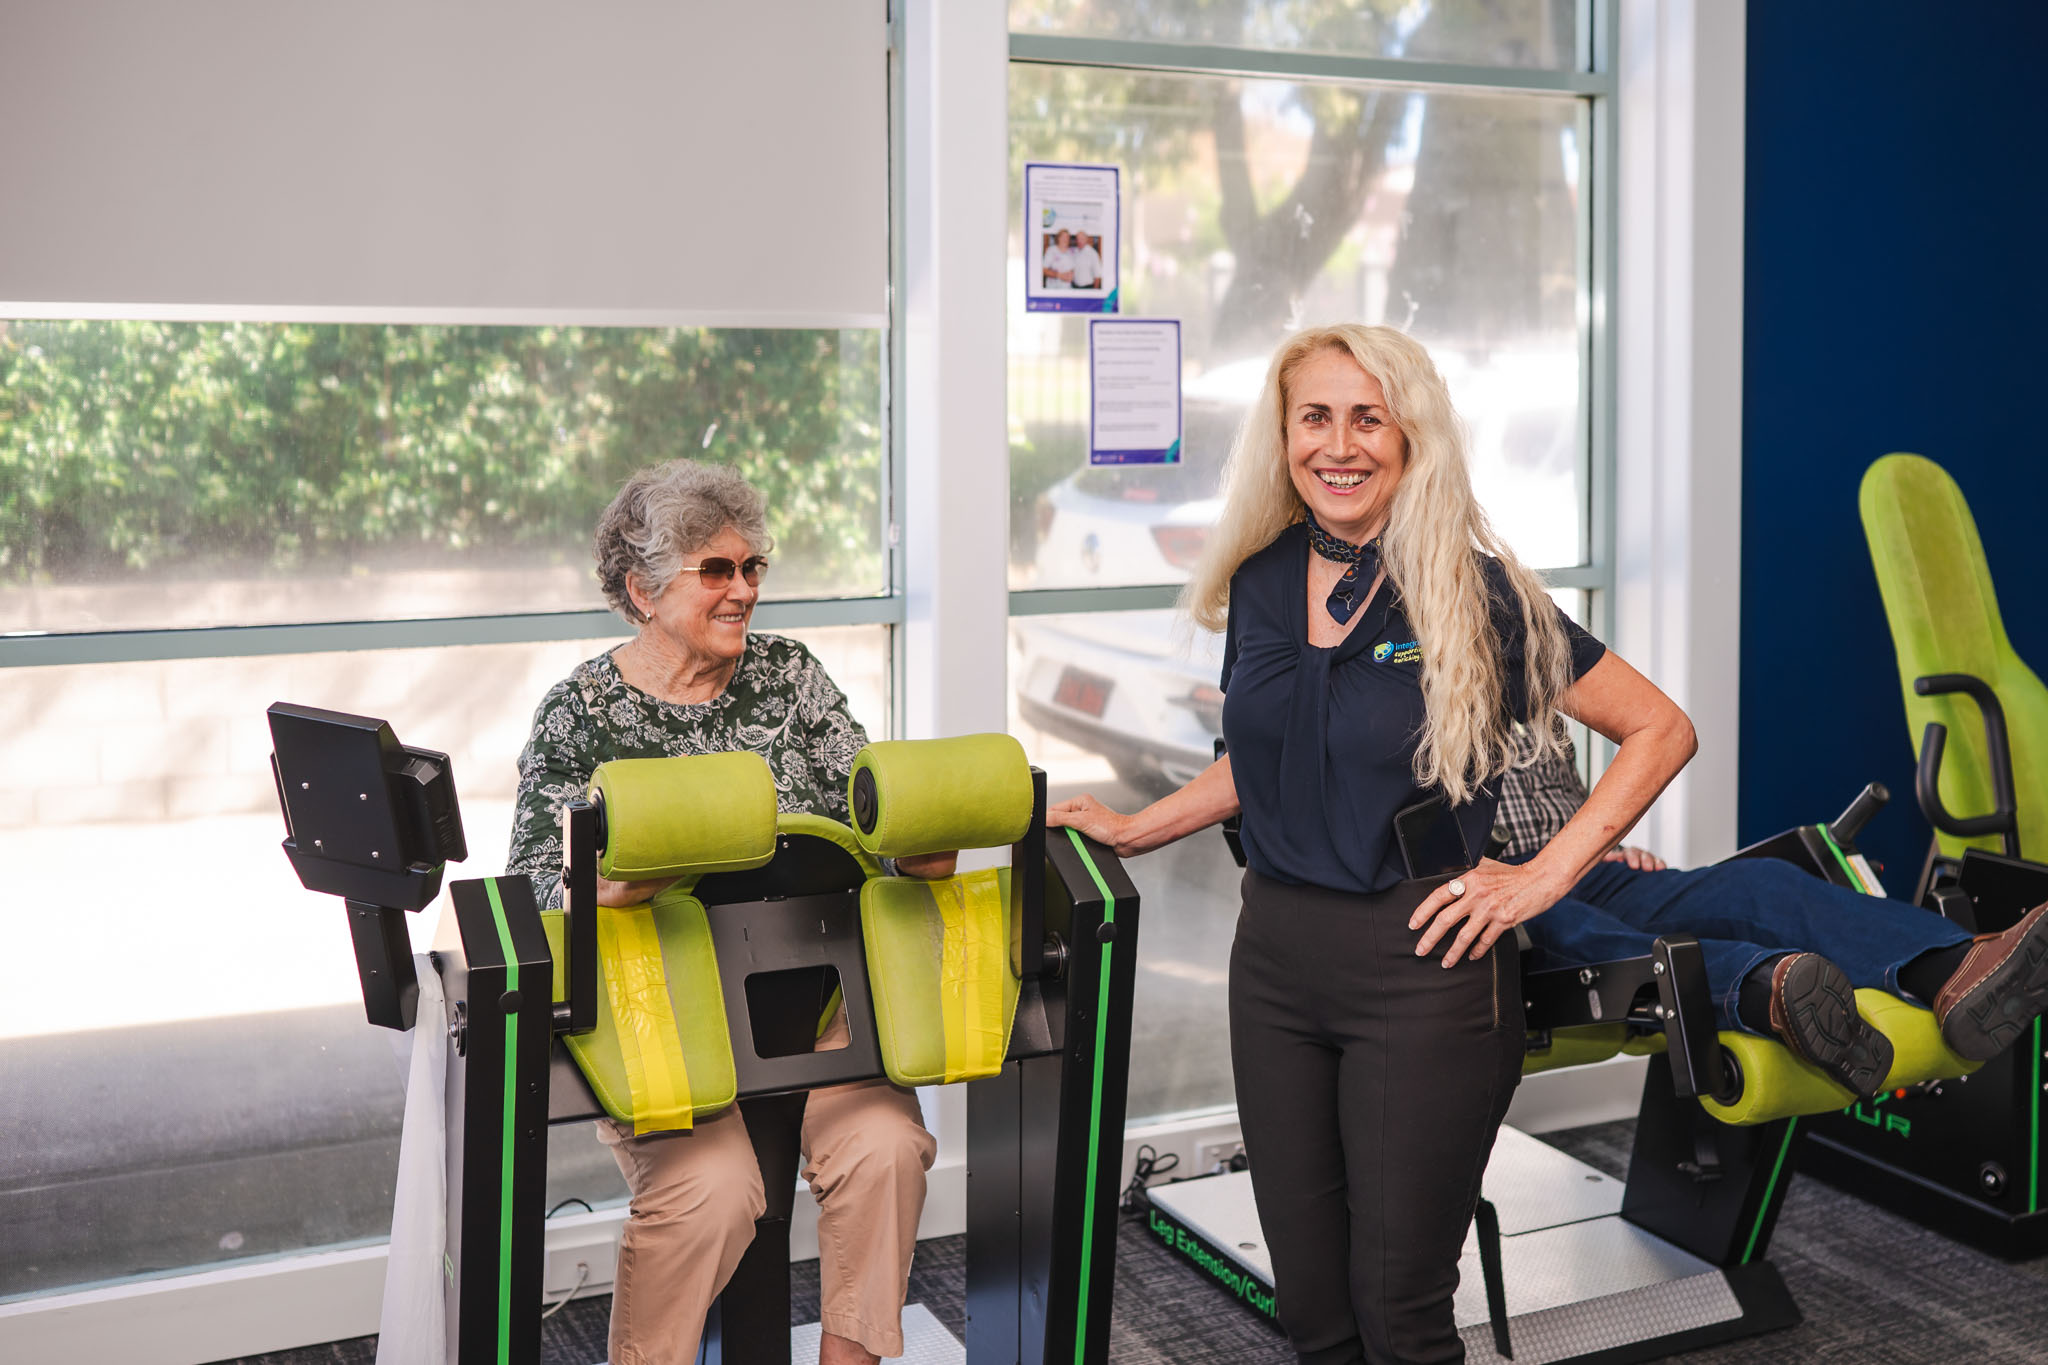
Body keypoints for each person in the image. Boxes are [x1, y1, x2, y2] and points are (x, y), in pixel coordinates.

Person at [1051, 323, 1695, 1365]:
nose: (1339, 444)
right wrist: (1136, 826)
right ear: (1284, 435)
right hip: (1273, 968)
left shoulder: (1473, 590)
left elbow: (1659, 728)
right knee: (1313, 1310)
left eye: (1368, 417)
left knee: (1398, 1315)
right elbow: (1267, 753)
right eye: (1315, 417)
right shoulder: (1261, 577)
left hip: (1423, 970)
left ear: (1410, 436)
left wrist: (1540, 878)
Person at [508, 460, 948, 1365]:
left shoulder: (791, 678)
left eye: (752, 567)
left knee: (886, 1147)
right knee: (711, 1191)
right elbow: (536, 887)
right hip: (661, 1032)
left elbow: (872, 812)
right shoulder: (579, 714)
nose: (744, 589)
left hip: (814, 1015)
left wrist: (916, 842)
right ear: (641, 589)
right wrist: (612, 885)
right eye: (715, 569)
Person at [1497, 737, 2048, 1078]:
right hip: (1498, 889)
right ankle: (1772, 991)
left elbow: (1579, 810)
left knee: (1762, 883)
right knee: (1584, 933)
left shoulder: (1537, 698)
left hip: (1587, 869)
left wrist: (1607, 845)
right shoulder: (1437, 700)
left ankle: (1953, 971)